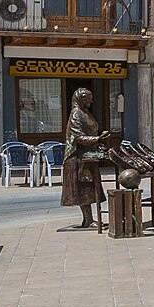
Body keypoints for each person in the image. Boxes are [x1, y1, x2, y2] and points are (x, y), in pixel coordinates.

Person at [60, 88, 111, 228]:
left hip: (87, 156)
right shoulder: (77, 113)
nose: (91, 101)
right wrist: (97, 138)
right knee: (83, 189)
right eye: (89, 98)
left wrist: (99, 139)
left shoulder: (85, 113)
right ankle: (88, 220)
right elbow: (78, 137)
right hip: (77, 157)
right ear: (81, 99)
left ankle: (89, 220)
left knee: (88, 188)